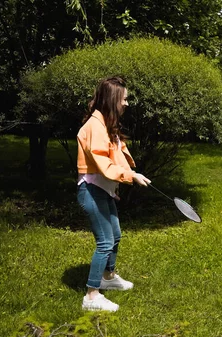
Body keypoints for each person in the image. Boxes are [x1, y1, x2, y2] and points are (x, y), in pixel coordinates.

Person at [76, 76, 151, 311]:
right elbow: (103, 166)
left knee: (115, 235)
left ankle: (108, 278)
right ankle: (91, 295)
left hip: (102, 190)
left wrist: (116, 185)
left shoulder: (106, 125)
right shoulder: (94, 127)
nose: (127, 103)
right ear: (112, 99)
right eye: (124, 98)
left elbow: (114, 158)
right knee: (105, 241)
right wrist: (131, 177)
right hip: (91, 191)